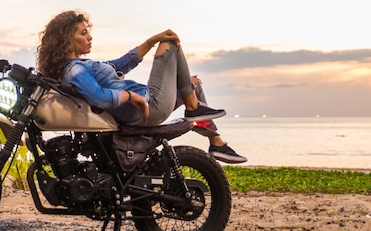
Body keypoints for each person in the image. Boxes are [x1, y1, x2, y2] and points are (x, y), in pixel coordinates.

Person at [36, 10, 246, 164]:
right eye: (83, 33)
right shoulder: (75, 70)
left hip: (146, 104)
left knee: (192, 84)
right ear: (66, 39)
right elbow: (99, 97)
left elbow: (121, 64)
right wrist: (130, 96)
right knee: (170, 45)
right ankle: (193, 109)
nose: (89, 37)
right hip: (148, 105)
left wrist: (152, 40)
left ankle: (216, 142)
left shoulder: (82, 66)